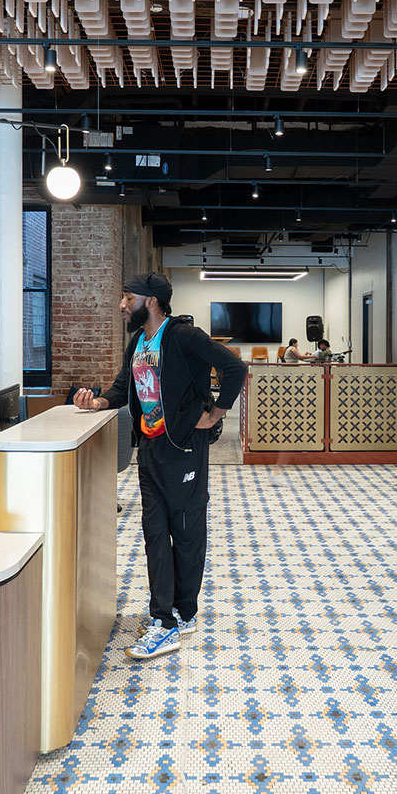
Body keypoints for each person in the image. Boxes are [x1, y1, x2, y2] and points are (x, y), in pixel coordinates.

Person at [73, 272, 247, 660]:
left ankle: (182, 614)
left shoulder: (184, 336)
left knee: (185, 532)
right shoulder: (137, 342)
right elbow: (123, 389)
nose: (122, 304)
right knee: (154, 532)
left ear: (150, 301)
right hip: (150, 449)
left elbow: (235, 369)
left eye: (127, 297)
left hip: (184, 447)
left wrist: (217, 412)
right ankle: (164, 619)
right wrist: (97, 402)